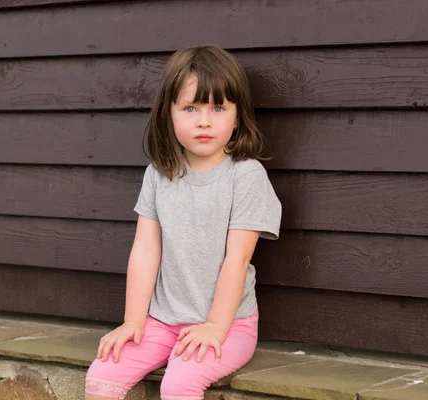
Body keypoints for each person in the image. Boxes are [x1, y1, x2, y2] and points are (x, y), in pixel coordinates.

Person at [84, 45, 282, 400]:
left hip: (229, 325)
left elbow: (237, 259)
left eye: (217, 108)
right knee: (102, 374)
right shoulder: (159, 175)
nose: (204, 120)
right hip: (162, 322)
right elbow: (145, 250)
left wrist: (215, 327)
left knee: (178, 384)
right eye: (190, 108)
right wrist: (133, 321)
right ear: (169, 114)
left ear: (237, 117)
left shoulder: (245, 176)